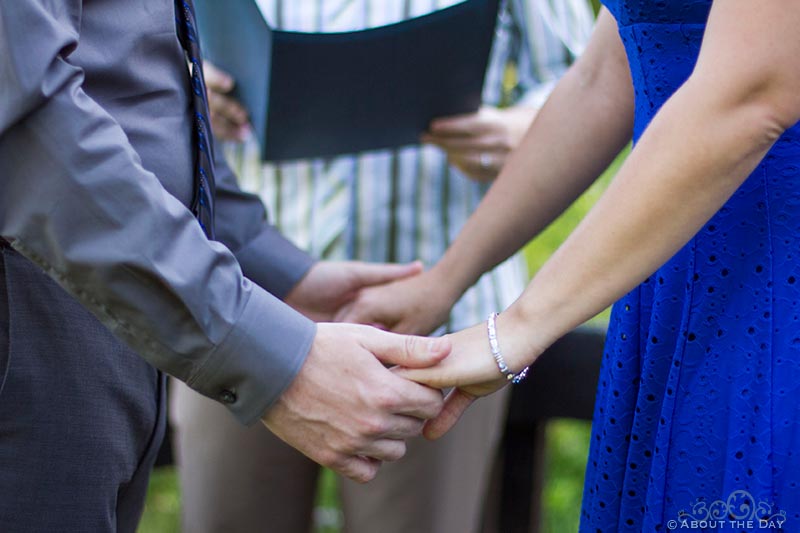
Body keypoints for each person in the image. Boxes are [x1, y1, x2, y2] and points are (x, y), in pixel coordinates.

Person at [340, 0, 800, 530]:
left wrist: (514, 331)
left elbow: (752, 94)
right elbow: (604, 75)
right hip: (675, 285)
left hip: (771, 298)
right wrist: (443, 282)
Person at [0, 1, 454, 531]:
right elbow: (25, 125)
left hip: (99, 333)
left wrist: (268, 264)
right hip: (31, 337)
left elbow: (124, 84)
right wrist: (267, 357)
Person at [170, 1, 594, 532]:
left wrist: (522, 130)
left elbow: (590, 78)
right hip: (240, 303)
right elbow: (149, 55)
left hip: (435, 328)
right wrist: (190, 89)